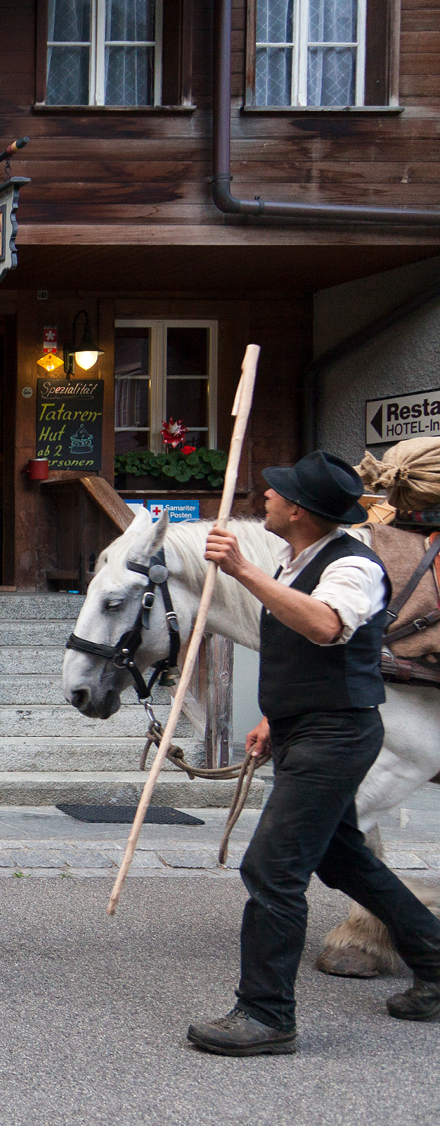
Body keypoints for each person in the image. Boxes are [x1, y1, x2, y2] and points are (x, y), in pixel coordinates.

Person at [192, 451, 440, 1055]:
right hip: (309, 729)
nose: (266, 498)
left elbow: (328, 628)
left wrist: (244, 573)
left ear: (299, 509)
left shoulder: (354, 567)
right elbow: (312, 655)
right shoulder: (296, 558)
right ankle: (435, 962)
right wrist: (276, 718)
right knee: (344, 860)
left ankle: (267, 1014)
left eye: (276, 493)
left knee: (272, 869)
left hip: (338, 737)